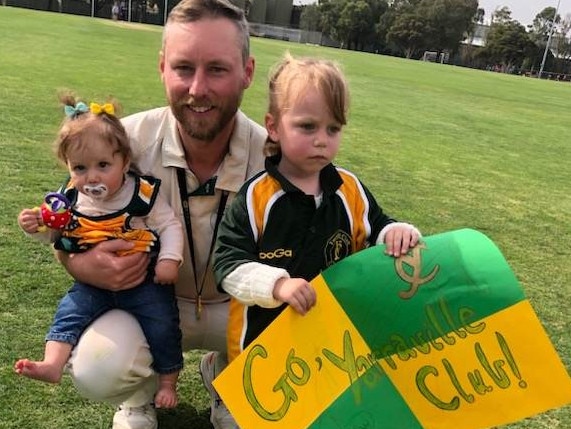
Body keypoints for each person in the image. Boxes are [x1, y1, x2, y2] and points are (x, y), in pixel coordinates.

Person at [57, 1, 266, 428]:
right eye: (184, 67)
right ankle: (138, 395)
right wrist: (78, 262)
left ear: (247, 71)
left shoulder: (272, 158)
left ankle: (230, 379)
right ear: (162, 68)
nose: (198, 88)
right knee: (97, 366)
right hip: (149, 299)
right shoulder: (121, 141)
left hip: (237, 308)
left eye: (218, 69)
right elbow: (65, 220)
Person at [213, 53, 422, 361]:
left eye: (333, 129)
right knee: (262, 407)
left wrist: (395, 232)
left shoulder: (350, 189)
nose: (322, 140)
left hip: (328, 341)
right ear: (273, 127)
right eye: (308, 127)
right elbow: (227, 265)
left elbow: (376, 226)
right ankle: (220, 377)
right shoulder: (255, 198)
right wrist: (277, 285)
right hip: (261, 348)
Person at [15, 95, 184, 409]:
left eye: (103, 165)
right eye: (79, 168)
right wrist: (36, 226)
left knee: (163, 323)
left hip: (144, 283)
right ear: (67, 166)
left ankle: (168, 381)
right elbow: (56, 234)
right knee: (68, 312)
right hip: (92, 285)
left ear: (124, 161)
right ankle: (52, 364)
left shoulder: (140, 193)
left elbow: (170, 225)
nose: (91, 177)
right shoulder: (69, 199)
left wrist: (169, 260)